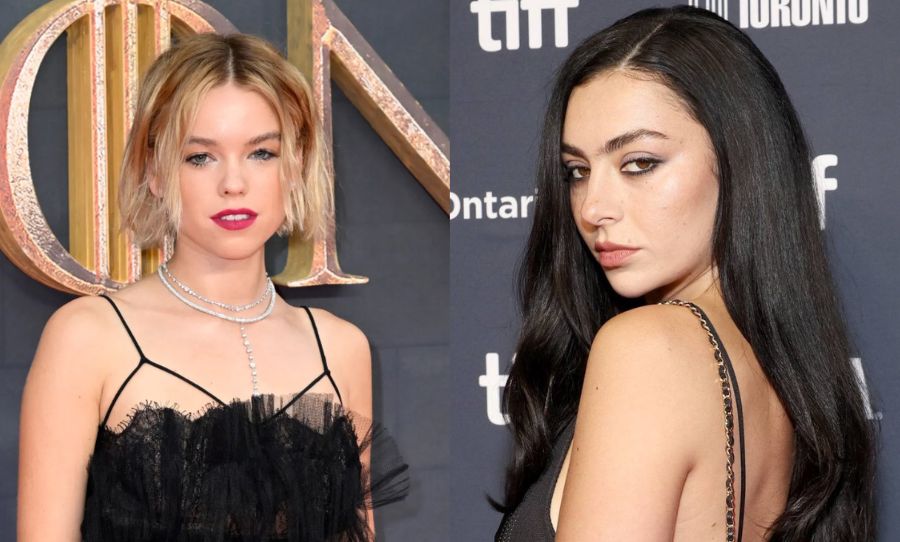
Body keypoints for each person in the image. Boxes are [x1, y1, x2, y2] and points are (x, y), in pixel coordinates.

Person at [494, 6, 875, 542]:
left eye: (640, 163)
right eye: (576, 171)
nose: (593, 207)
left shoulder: (647, 347)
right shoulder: (783, 371)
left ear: (739, 160)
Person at [18, 32, 405, 541]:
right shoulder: (88, 338)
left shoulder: (340, 348)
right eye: (200, 157)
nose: (233, 183)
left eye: (262, 153)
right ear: (156, 172)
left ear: (296, 164)